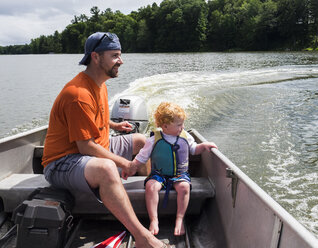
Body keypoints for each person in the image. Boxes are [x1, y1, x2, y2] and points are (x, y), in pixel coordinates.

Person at [41, 32, 164, 248]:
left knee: (142, 142)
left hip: (93, 148)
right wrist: (124, 163)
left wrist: (114, 126)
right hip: (61, 162)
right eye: (115, 55)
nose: (121, 61)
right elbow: (85, 146)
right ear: (96, 57)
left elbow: (96, 117)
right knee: (108, 168)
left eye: (120, 55)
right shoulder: (77, 94)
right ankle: (142, 238)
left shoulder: (99, 84)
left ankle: (144, 201)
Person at [130, 102, 217, 236]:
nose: (182, 127)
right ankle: (154, 220)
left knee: (184, 187)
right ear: (165, 126)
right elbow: (142, 157)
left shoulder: (185, 136)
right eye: (179, 125)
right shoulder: (153, 139)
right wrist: (131, 167)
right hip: (158, 174)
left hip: (179, 174)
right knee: (151, 187)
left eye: (182, 124)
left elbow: (193, 149)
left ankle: (180, 219)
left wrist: (204, 145)